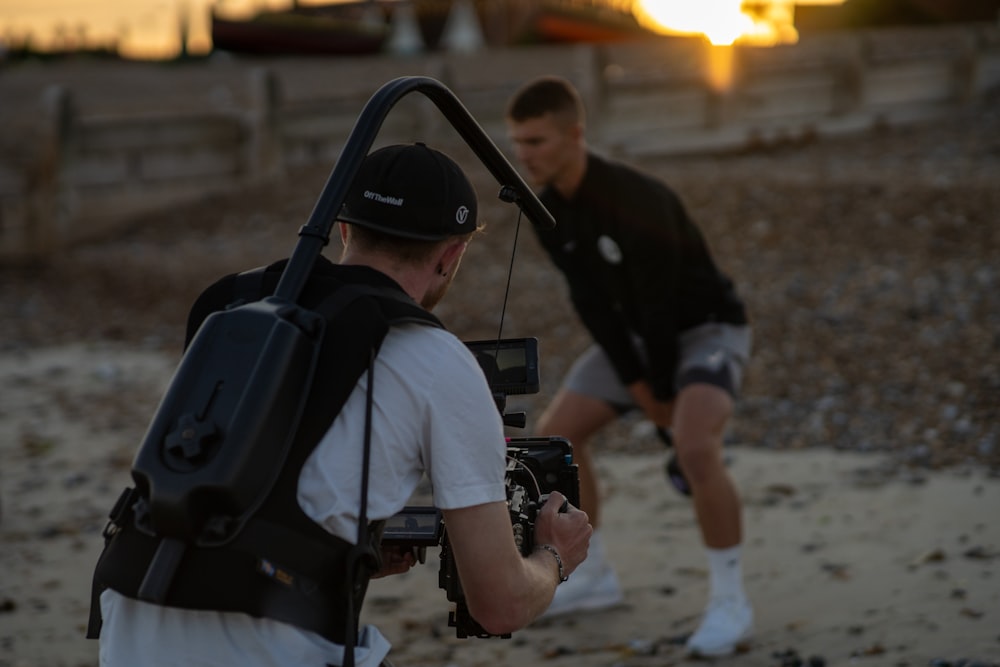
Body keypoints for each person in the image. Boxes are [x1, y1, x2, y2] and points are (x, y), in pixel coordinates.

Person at [88, 142, 592, 666]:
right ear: (452, 254)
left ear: (346, 231)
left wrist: (347, 557)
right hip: (267, 646)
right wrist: (555, 556)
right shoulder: (436, 358)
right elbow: (501, 605)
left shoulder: (237, 308)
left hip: (130, 621)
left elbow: (227, 497)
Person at [505, 77, 753, 657]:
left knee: (693, 446)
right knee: (556, 438)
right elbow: (592, 304)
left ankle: (731, 602)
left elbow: (662, 306)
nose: (524, 156)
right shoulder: (544, 205)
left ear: (575, 135)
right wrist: (642, 386)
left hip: (705, 328)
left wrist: (660, 398)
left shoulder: (636, 197)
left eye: (537, 141)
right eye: (517, 143)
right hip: (637, 336)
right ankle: (590, 576)